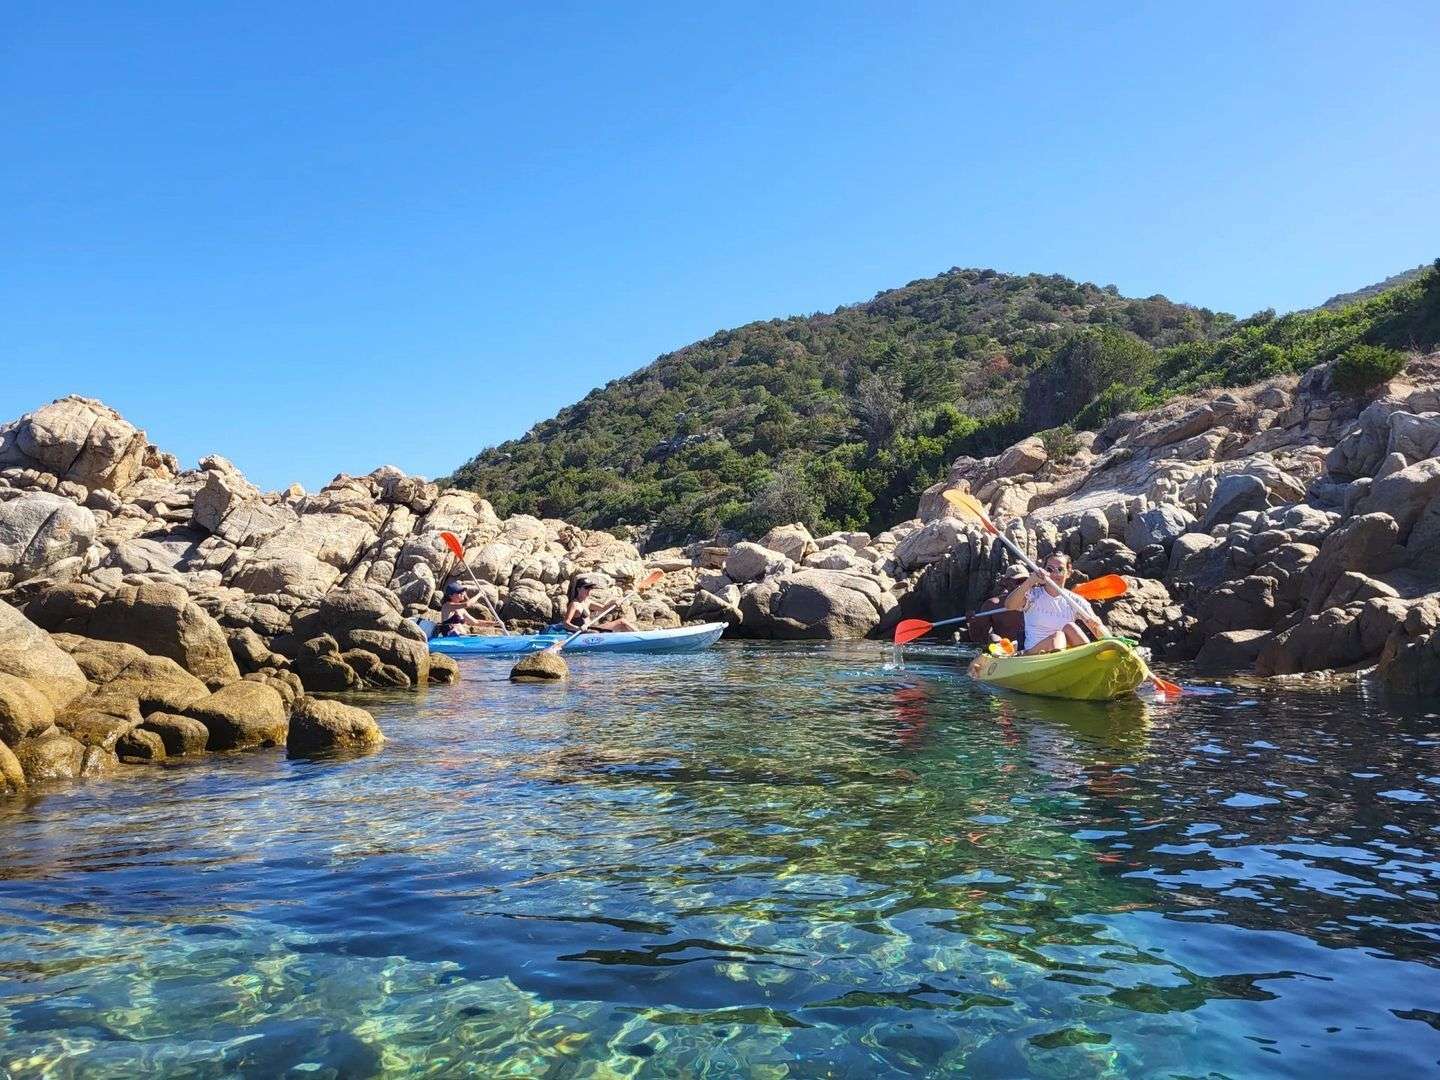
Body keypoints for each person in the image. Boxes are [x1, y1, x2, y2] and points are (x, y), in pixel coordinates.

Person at [1003, 552, 1107, 655]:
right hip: (1032, 654)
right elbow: (1009, 605)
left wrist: (1097, 625)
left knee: (1070, 627)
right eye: (1050, 569)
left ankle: (1088, 659)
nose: (1055, 573)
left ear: (1069, 573)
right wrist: (1030, 581)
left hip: (1063, 654)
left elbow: (1099, 629)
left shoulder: (1076, 601)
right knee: (1058, 635)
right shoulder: (1033, 595)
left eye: (1060, 569)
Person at [559, 575, 637, 634]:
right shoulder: (574, 604)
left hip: (591, 629)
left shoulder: (588, 602)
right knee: (621, 622)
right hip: (582, 633)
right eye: (586, 588)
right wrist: (578, 628)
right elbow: (566, 623)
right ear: (578, 589)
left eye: (590, 588)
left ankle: (638, 635)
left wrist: (615, 603)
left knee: (622, 623)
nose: (589, 590)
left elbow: (603, 608)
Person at [435, 582, 501, 637]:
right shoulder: (447, 606)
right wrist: (479, 594)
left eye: (462, 592)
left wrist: (495, 623)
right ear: (450, 595)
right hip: (451, 639)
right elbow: (467, 604)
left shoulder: (461, 610)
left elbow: (476, 622)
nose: (462, 594)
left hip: (462, 638)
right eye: (459, 592)